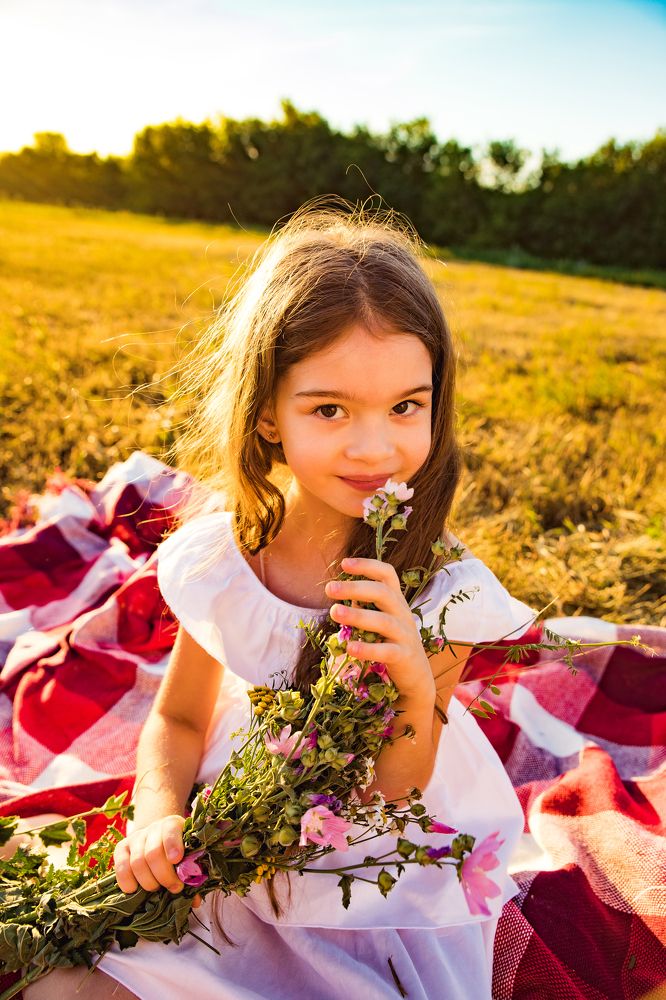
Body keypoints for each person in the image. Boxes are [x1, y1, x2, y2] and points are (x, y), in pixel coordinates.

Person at [25, 200, 535, 999]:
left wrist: (410, 679)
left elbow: (393, 790)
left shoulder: (440, 592)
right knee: (60, 985)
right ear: (266, 414)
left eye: (407, 405)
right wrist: (158, 814)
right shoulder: (233, 556)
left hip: (362, 869)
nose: (375, 447)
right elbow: (183, 718)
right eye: (329, 409)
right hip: (239, 821)